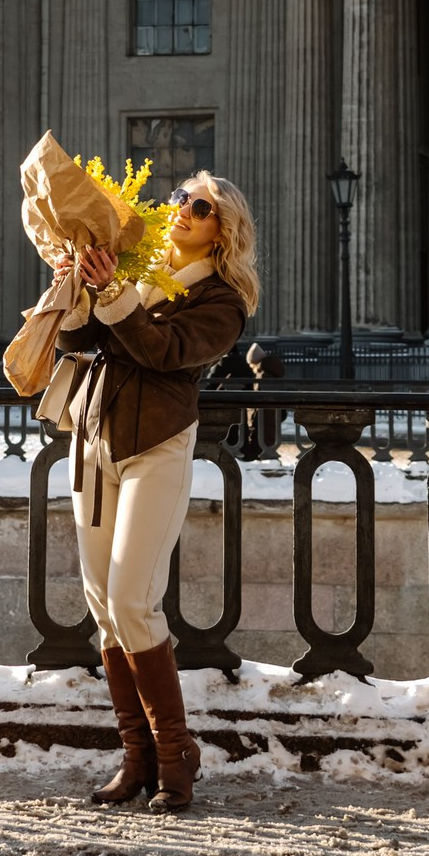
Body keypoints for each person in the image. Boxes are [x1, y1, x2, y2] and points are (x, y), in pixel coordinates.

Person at [52, 172, 259, 813]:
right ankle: (137, 757)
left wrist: (115, 293)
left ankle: (175, 759)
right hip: (92, 441)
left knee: (134, 599)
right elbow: (77, 341)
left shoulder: (223, 300)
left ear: (224, 229)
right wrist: (78, 285)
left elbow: (164, 352)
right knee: (105, 609)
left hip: (157, 448)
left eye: (201, 208)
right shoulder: (137, 265)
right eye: (180, 199)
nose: (184, 211)